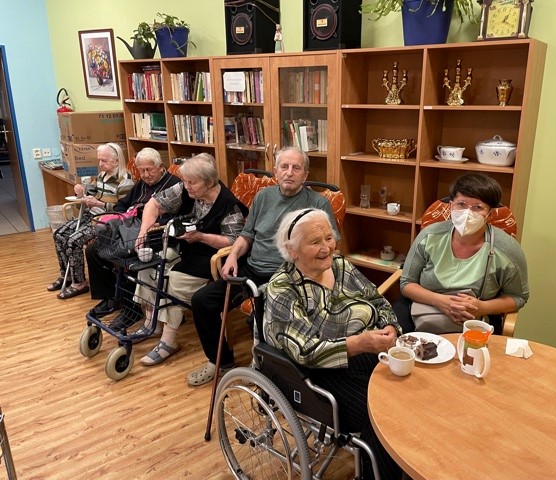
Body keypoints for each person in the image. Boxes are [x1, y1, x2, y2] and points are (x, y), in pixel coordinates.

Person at [263, 208, 403, 480]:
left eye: (329, 238)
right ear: (292, 250)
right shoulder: (283, 288)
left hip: (363, 351)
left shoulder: (340, 266)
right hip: (315, 374)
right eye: (315, 241)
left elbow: (377, 301)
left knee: (404, 389)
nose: (327, 247)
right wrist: (359, 343)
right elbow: (306, 351)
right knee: (381, 412)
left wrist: (390, 326)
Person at [188, 146, 338, 386]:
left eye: (296, 168)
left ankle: (263, 365)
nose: (289, 172)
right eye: (284, 167)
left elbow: (330, 246)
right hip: (251, 270)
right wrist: (232, 256)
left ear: (305, 175)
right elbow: (247, 235)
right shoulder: (263, 197)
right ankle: (221, 361)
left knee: (259, 318)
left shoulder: (317, 204)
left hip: (287, 276)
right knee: (202, 301)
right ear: (275, 171)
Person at [133, 153, 248, 366]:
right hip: (186, 248)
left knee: (172, 280)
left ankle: (168, 341)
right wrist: (143, 232)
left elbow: (234, 242)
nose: (186, 187)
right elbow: (153, 204)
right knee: (148, 266)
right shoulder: (186, 189)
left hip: (211, 256)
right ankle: (152, 323)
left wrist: (201, 237)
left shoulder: (229, 206)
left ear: (209, 182)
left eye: (191, 183)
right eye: (185, 182)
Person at [393, 172, 529, 334]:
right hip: (423, 310)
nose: (467, 213)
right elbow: (407, 283)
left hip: (475, 320)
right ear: (451, 206)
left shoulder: (507, 249)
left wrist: (482, 307)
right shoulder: (428, 236)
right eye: (461, 204)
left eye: (477, 207)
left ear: (490, 214)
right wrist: (441, 301)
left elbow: (519, 297)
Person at [84, 147, 182, 325]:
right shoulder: (141, 185)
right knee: (94, 249)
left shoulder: (173, 185)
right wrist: (124, 216)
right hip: (130, 230)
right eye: (141, 171)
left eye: (149, 170)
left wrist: (154, 223)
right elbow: (121, 205)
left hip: (155, 235)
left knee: (127, 257)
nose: (145, 175)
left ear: (160, 166)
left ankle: (132, 309)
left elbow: (176, 218)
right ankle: (111, 298)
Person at [47, 142, 133, 299]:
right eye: (99, 160)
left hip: (107, 222)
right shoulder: (101, 176)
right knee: (59, 234)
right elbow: (88, 196)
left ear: (116, 161)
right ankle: (67, 275)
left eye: (104, 161)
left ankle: (79, 283)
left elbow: (124, 211)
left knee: (73, 241)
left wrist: (99, 204)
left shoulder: (125, 181)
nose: (100, 164)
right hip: (91, 216)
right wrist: (81, 193)